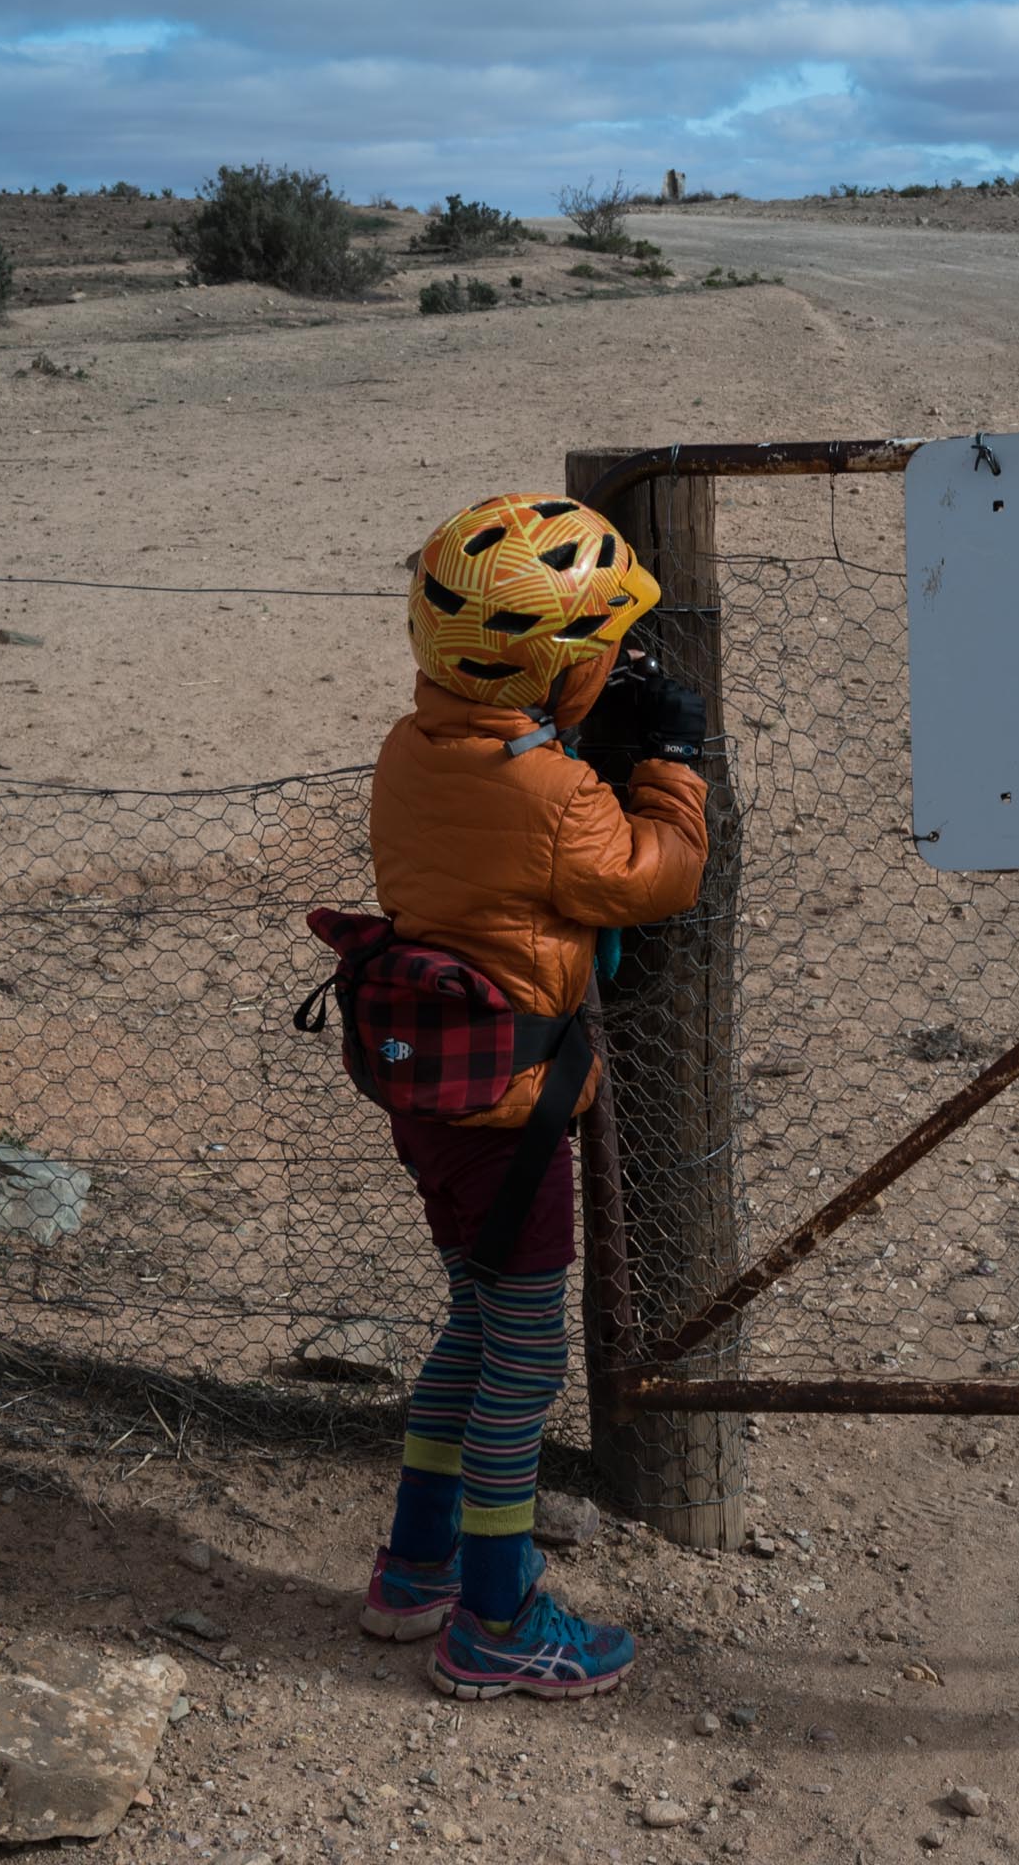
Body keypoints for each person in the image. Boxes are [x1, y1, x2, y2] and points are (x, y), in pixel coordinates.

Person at [357, 491, 709, 1700]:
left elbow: (510, 840)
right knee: (523, 1363)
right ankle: (497, 1620)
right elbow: (654, 878)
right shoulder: (555, 795)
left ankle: (415, 1567)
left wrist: (573, 734)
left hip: (430, 1101)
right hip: (513, 1117)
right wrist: (670, 765)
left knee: (473, 1321)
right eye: (602, 651)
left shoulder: (411, 749)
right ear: (558, 670)